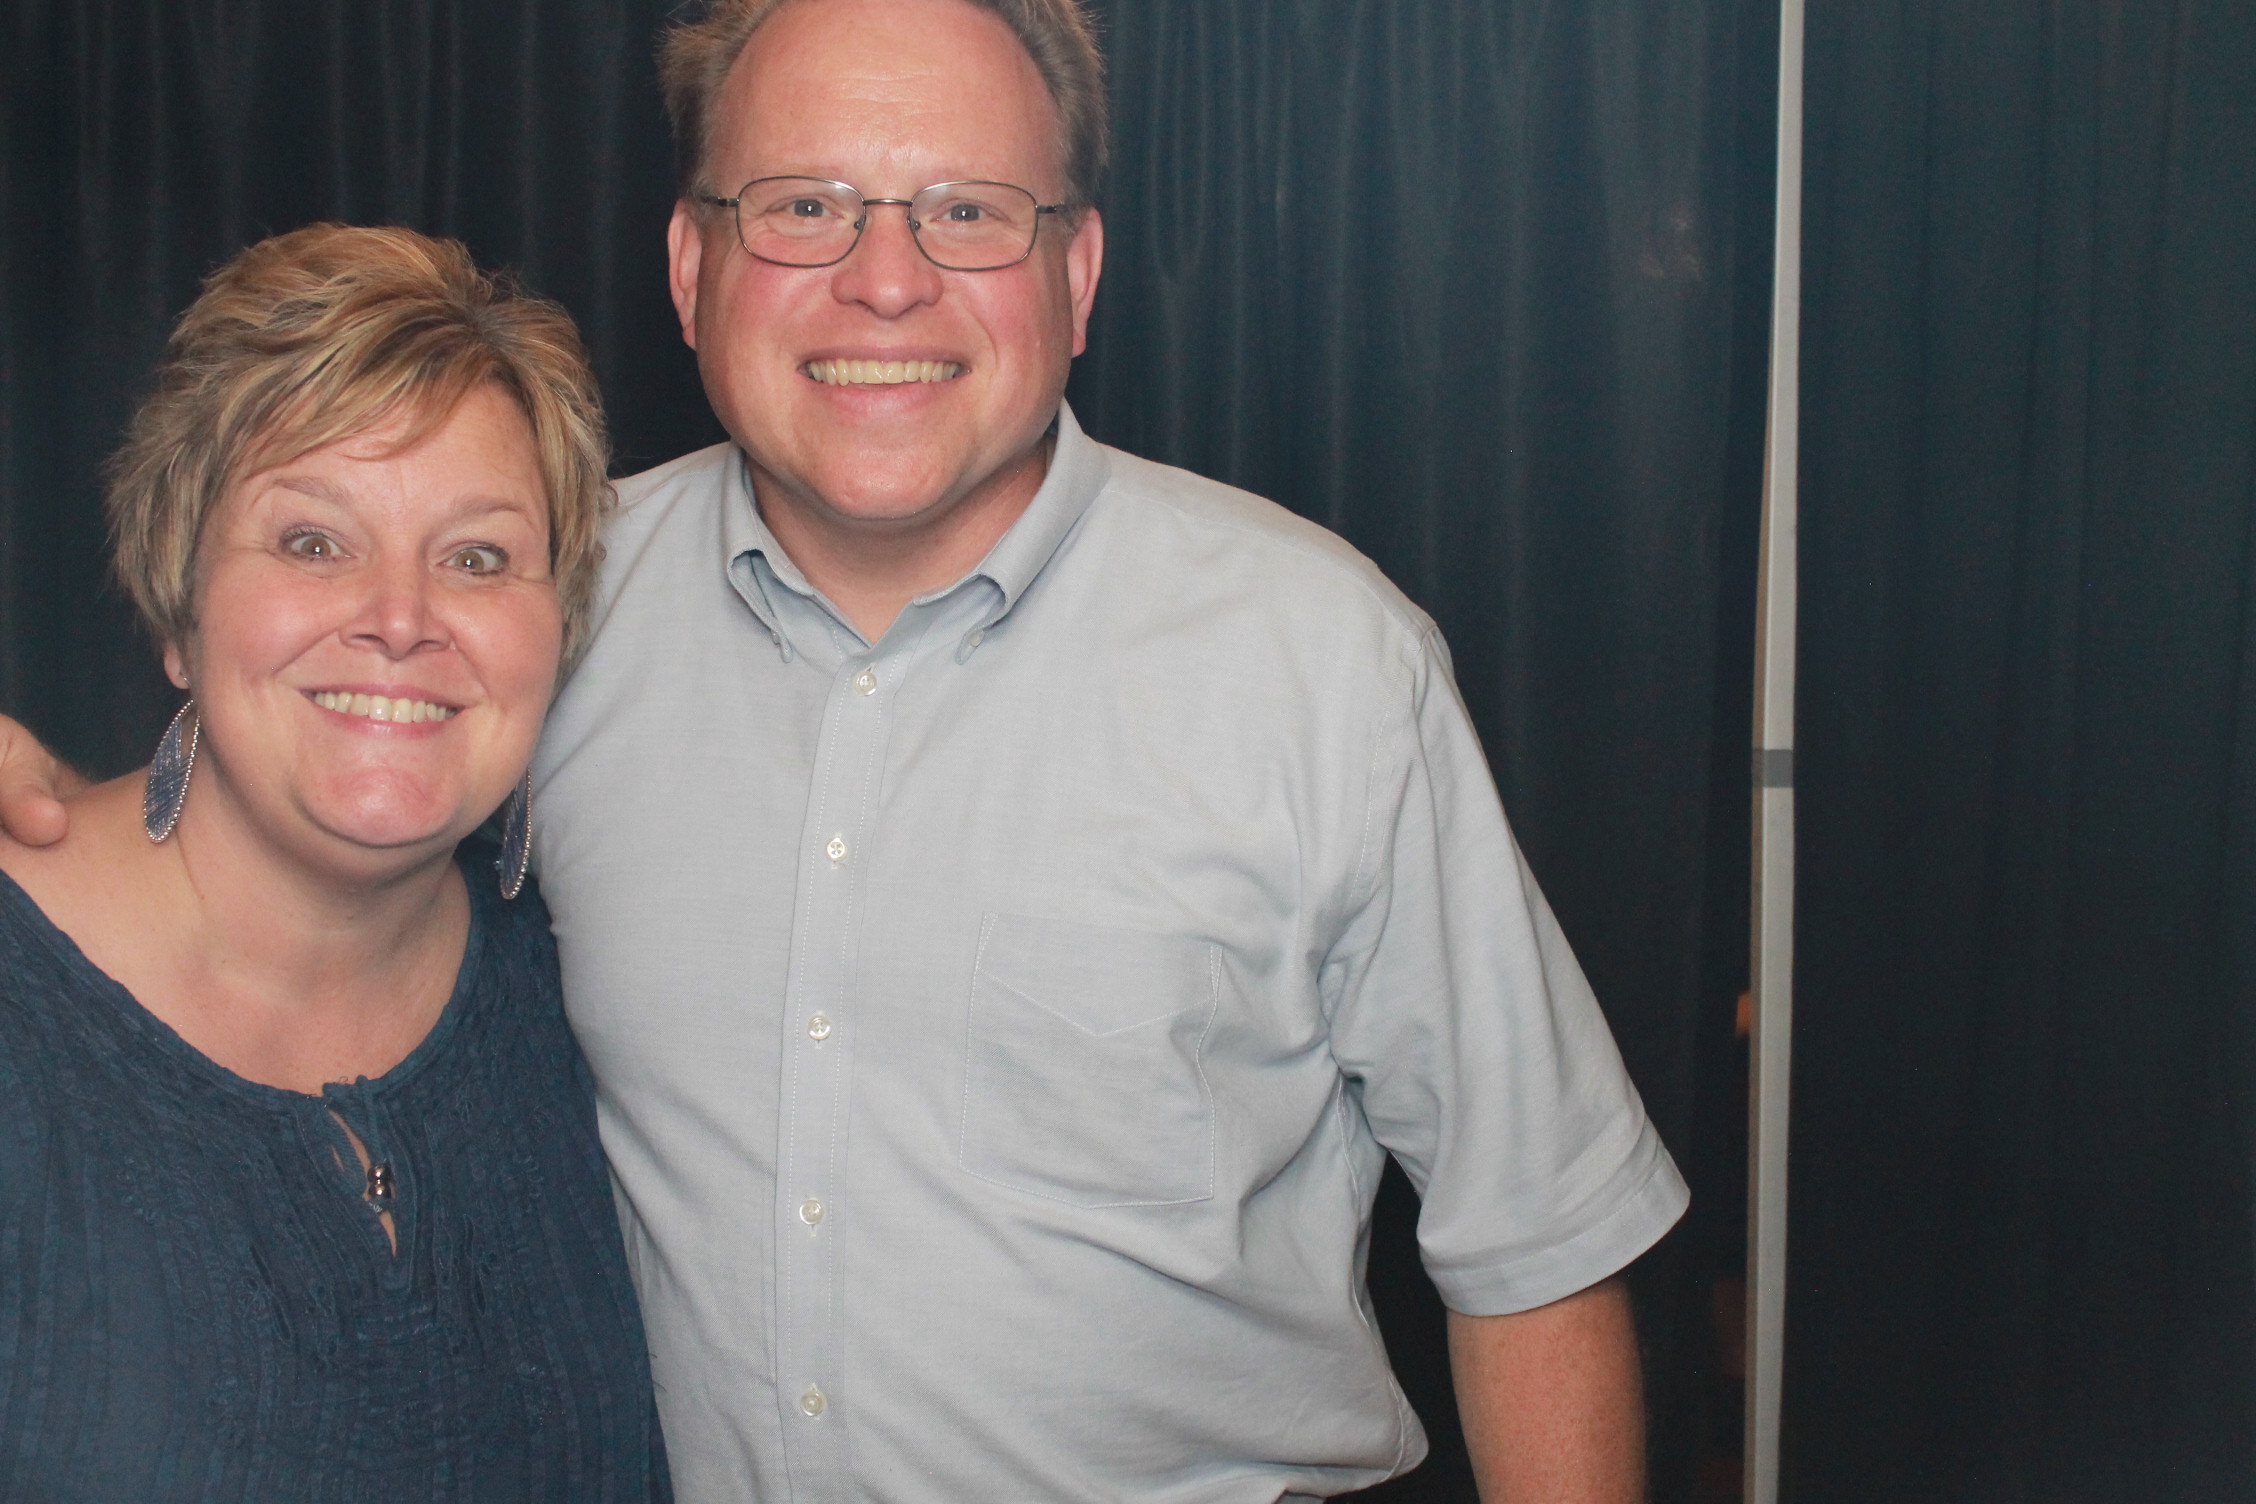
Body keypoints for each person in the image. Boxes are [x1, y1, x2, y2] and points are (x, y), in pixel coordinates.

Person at [1, 2, 1689, 1499]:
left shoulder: (1323, 661)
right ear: (690, 267)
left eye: (968, 211)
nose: (886, 277)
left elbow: (1533, 1245)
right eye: (802, 205)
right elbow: (295, 754)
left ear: (1077, 275)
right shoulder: (542, 594)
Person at [0, 225, 670, 1500]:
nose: (402, 618)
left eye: (478, 556)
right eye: (314, 541)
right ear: (179, 600)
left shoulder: (581, 992)